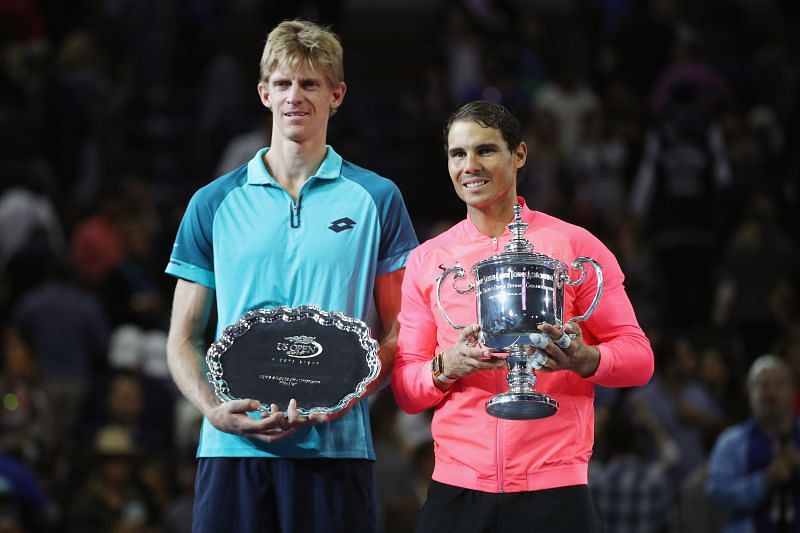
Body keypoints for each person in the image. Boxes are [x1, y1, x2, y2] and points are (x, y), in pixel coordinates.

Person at [164, 20, 418, 533]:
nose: (294, 96)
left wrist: (347, 390)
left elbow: (399, 330)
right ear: (263, 92)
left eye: (310, 84)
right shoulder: (212, 203)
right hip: (233, 449)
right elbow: (182, 338)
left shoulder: (378, 199)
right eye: (282, 83)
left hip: (338, 449)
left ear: (337, 95)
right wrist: (214, 411)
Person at [391, 100, 654, 532]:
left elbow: (639, 359)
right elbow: (406, 388)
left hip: (555, 489)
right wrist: (444, 368)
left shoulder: (574, 245)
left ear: (520, 155)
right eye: (458, 154)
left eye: (486, 150)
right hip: (458, 490)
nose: (469, 166)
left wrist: (583, 359)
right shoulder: (428, 260)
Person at [706, 354, 800, 532]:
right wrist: (764, 481)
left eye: (779, 385)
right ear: (750, 393)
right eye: (763, 385)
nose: (771, 393)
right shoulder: (730, 442)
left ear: (792, 391)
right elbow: (718, 494)